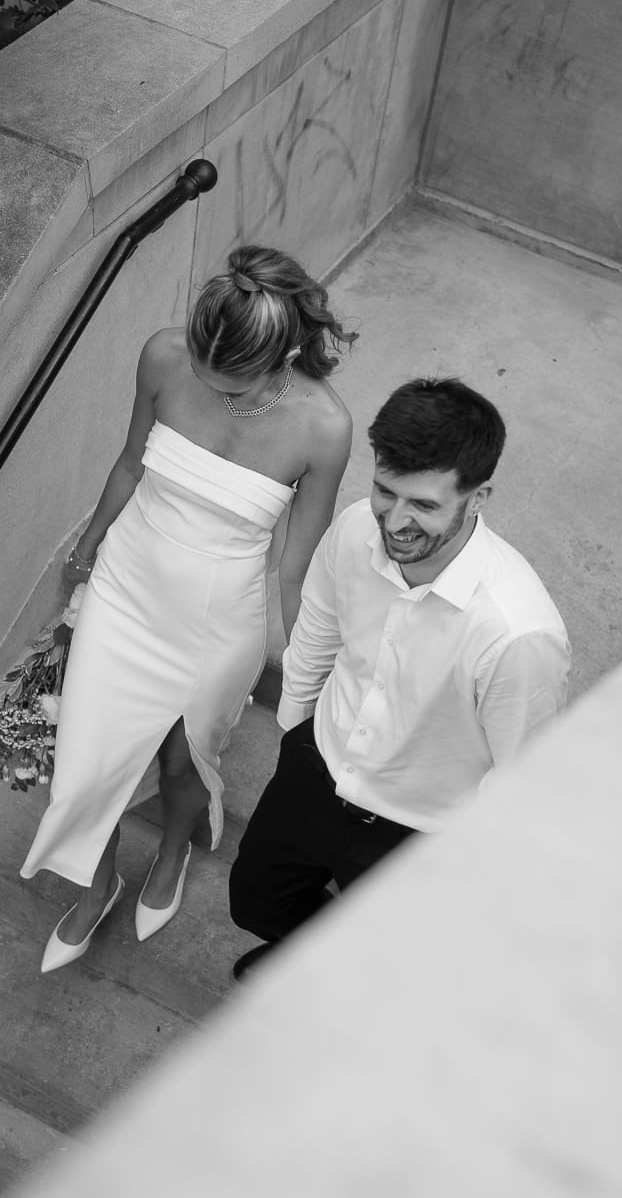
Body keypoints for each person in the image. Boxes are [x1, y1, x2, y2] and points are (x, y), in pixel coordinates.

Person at [22, 245, 355, 973]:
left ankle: (173, 846)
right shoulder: (165, 356)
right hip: (125, 586)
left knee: (181, 763)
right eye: (205, 370)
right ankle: (96, 882)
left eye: (230, 382)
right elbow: (129, 461)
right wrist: (83, 553)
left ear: (283, 354)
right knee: (85, 755)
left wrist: (309, 673)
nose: (211, 388)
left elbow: (298, 567)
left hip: (218, 617)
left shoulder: (324, 427)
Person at [226, 377, 571, 980]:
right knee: (256, 902)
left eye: (425, 505)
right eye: (387, 491)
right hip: (318, 767)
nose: (397, 521)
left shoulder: (517, 635)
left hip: (414, 832)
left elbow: (523, 782)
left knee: (387, 966)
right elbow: (317, 633)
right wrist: (297, 737)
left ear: (479, 495)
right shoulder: (359, 528)